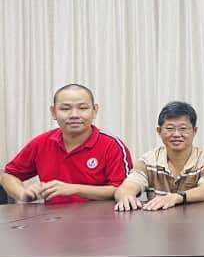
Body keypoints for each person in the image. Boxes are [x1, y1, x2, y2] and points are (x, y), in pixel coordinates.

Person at [1, 83, 131, 205]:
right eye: (65, 108)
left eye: (83, 108)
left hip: (101, 219)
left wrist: (74, 189)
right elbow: (9, 175)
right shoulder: (41, 142)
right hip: (51, 218)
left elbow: (123, 190)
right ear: (53, 112)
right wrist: (23, 193)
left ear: (95, 110)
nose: (74, 115)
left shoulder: (112, 145)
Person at [113, 101, 204, 211]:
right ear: (159, 131)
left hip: (200, 219)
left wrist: (176, 197)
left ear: (195, 131)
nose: (176, 134)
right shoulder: (148, 160)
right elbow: (127, 187)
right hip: (158, 220)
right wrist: (126, 195)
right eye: (170, 128)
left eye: (183, 129)